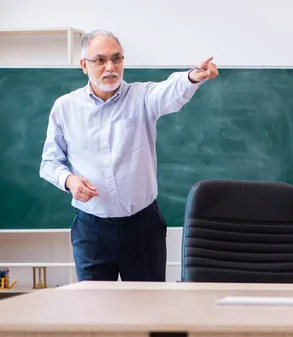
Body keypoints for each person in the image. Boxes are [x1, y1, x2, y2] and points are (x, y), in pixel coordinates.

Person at [39, 30, 218, 282]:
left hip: (142, 227)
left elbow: (169, 91)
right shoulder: (65, 107)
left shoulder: (142, 97)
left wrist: (191, 77)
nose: (110, 67)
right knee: (95, 312)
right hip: (92, 230)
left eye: (117, 58)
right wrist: (69, 181)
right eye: (100, 60)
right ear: (83, 65)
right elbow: (49, 163)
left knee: (148, 309)